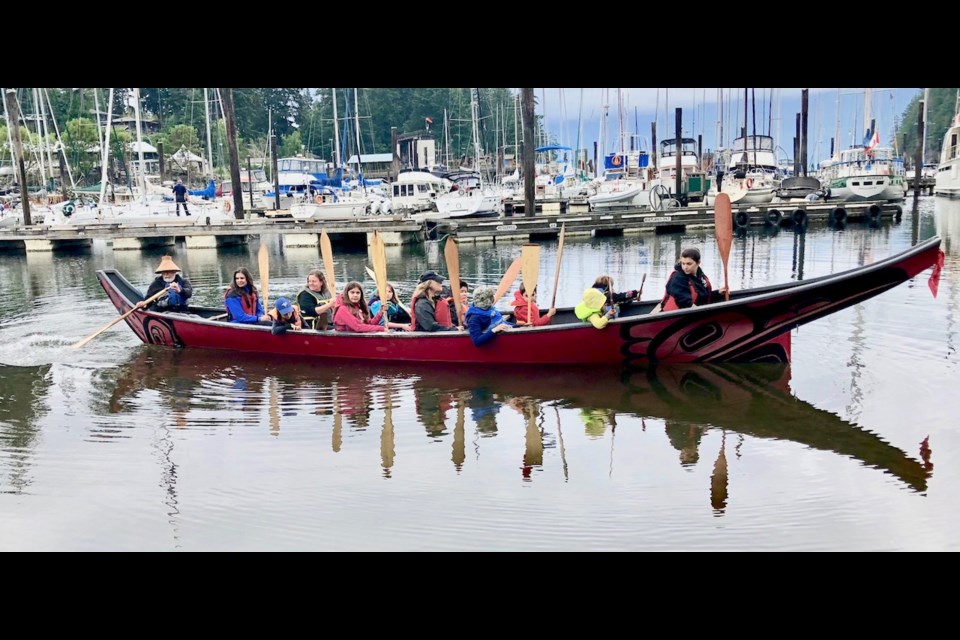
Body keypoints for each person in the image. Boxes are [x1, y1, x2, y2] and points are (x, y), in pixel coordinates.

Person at [661, 248, 726, 311]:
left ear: (698, 262)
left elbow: (703, 297)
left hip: (695, 311)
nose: (685, 267)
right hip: (677, 316)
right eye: (683, 263)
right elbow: (684, 303)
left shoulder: (700, 276)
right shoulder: (678, 278)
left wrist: (718, 293)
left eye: (689, 264)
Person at [334, 281, 410, 332]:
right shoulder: (342, 309)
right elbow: (357, 327)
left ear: (361, 295)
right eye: (352, 292)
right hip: (347, 339)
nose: (355, 295)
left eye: (358, 293)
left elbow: (369, 324)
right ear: (347, 294)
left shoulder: (358, 307)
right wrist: (381, 328)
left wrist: (380, 313)